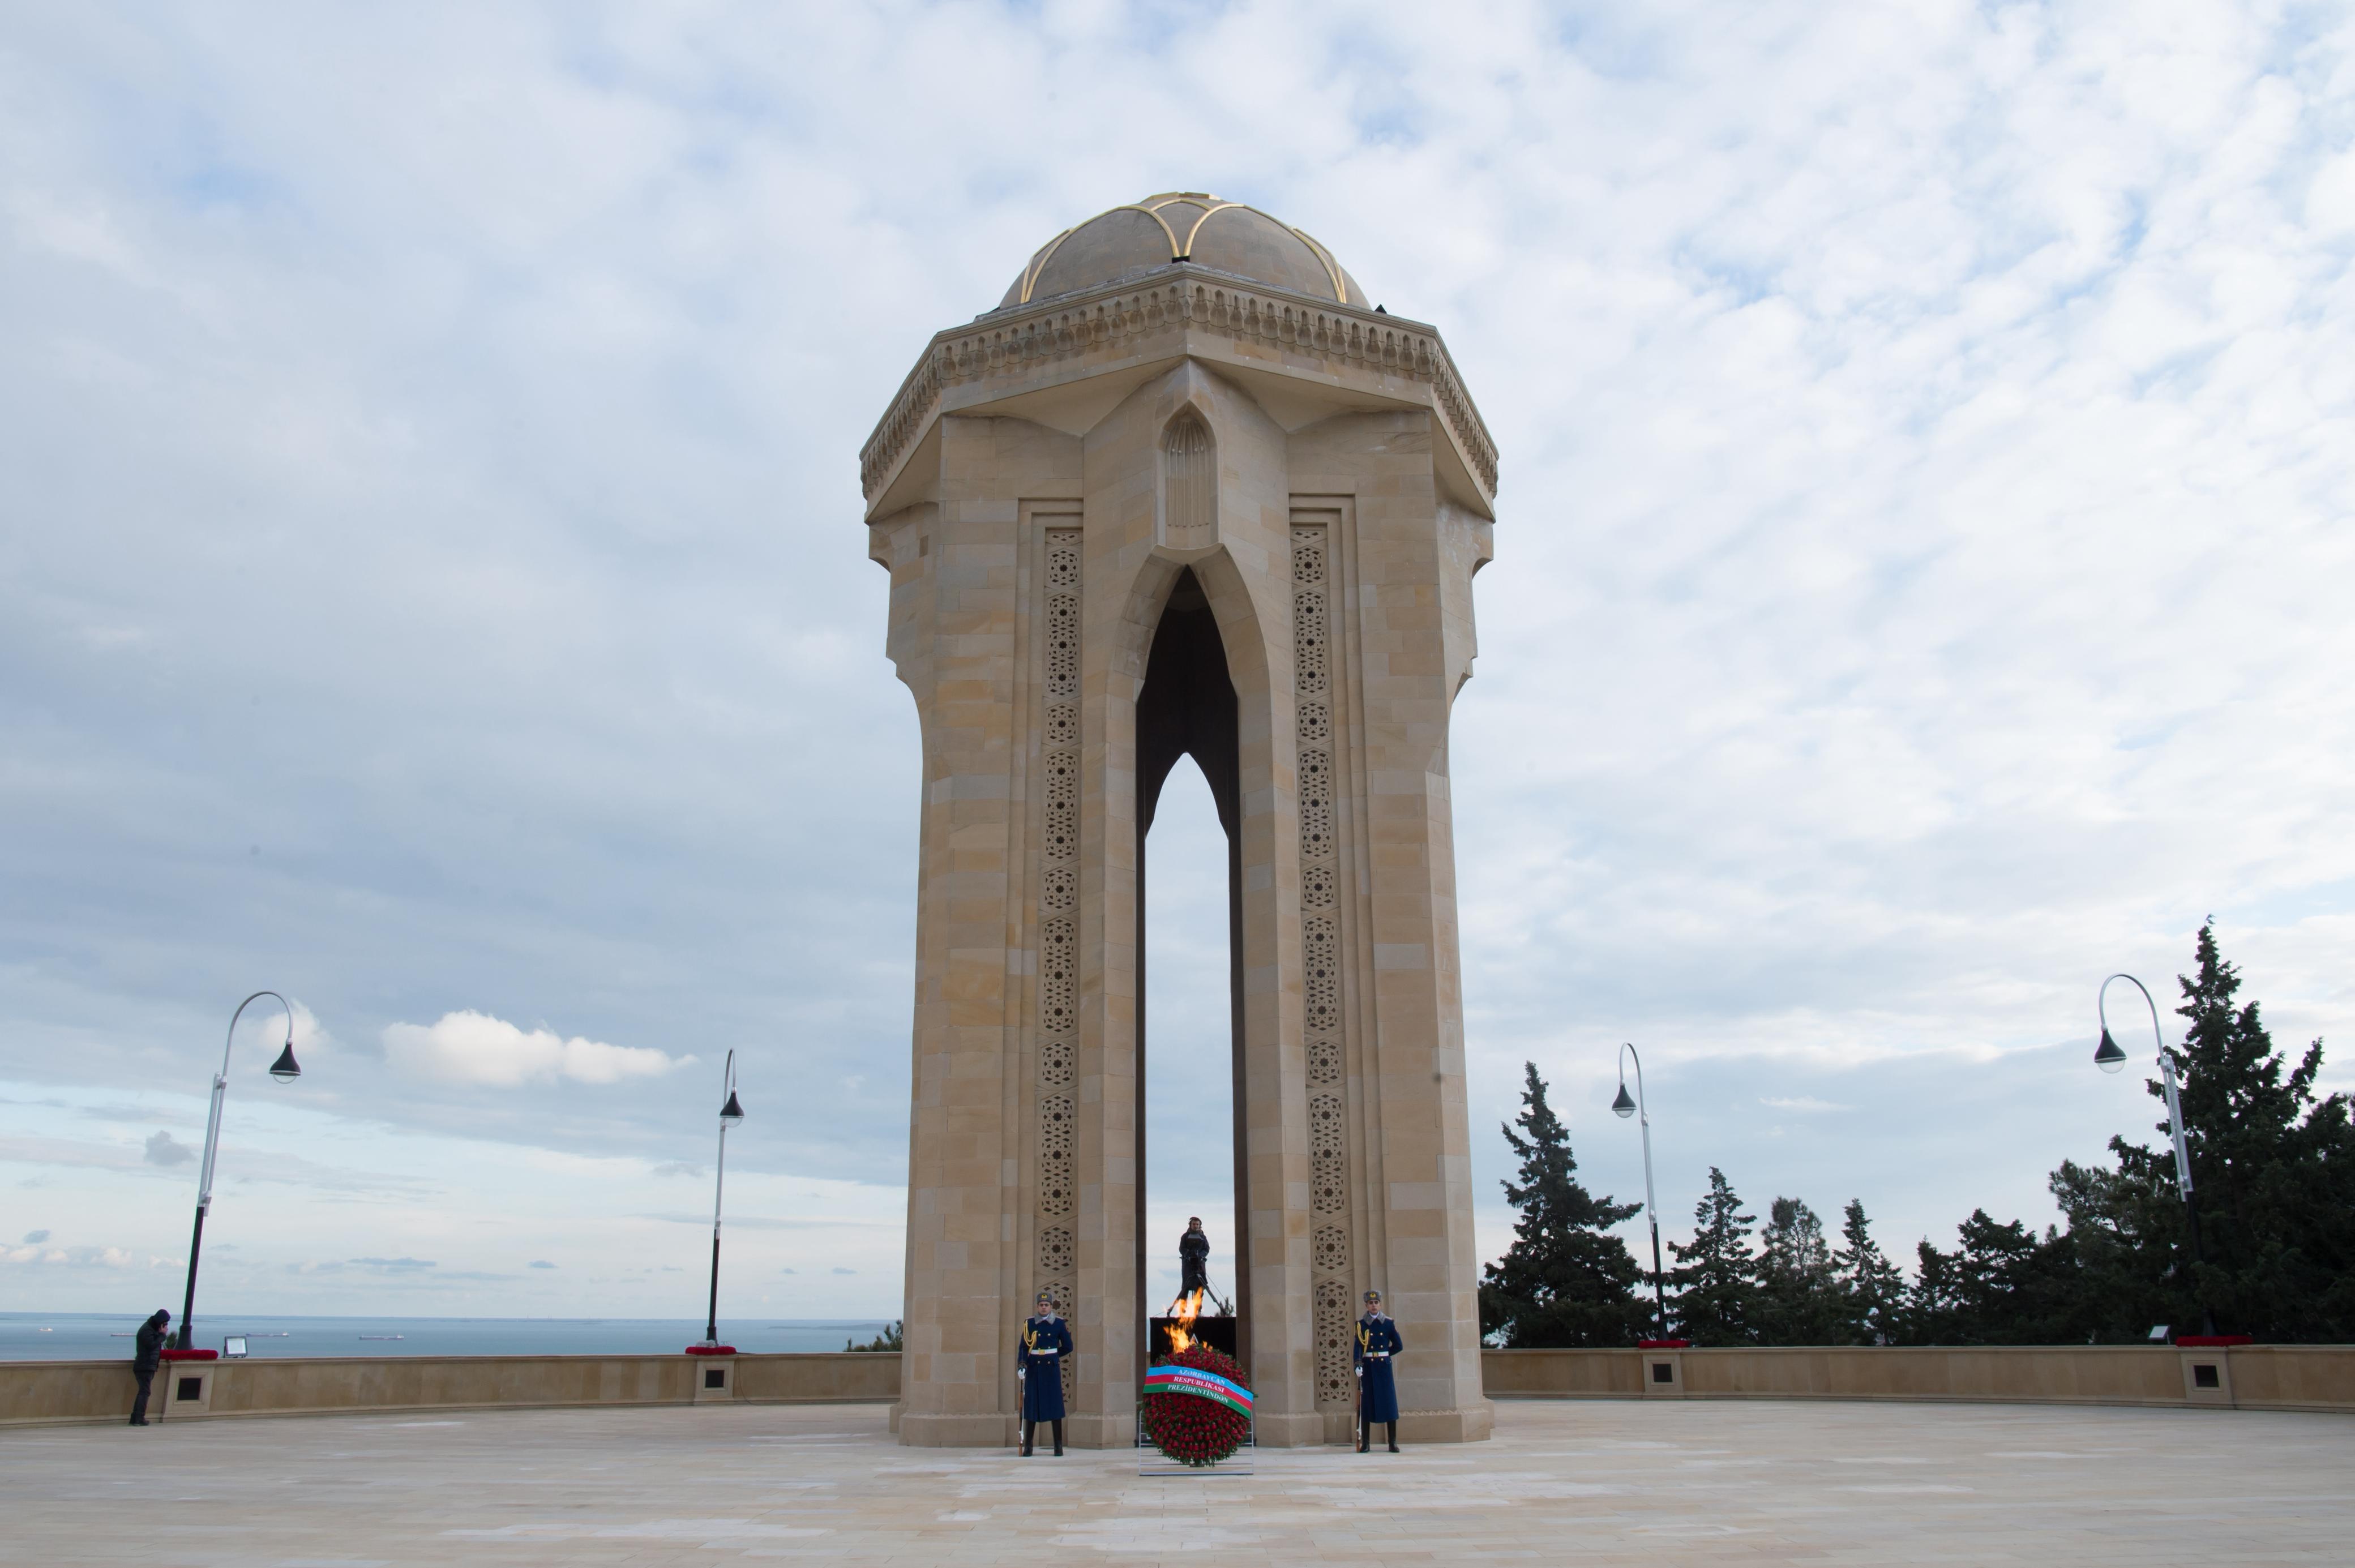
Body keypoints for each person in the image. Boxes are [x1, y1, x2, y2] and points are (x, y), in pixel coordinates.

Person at [1017, 1289, 1072, 1457]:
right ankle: (1029, 1446)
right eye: (1041, 1305)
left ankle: (1058, 1446)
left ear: (1051, 1306)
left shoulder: (1059, 1324)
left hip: (1051, 1368)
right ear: (1037, 1306)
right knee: (1031, 1407)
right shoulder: (1030, 1323)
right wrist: (1022, 1365)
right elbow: (1023, 1347)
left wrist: (1054, 1356)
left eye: (1046, 1305)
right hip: (1034, 1368)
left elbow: (1068, 1346)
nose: (1043, 1308)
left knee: (1055, 1406)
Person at [1353, 1288, 1402, 1453]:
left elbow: (1398, 1345)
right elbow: (1358, 1347)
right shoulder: (1361, 1325)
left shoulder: (1388, 1323)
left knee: (1389, 1404)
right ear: (1366, 1305)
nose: (1374, 1306)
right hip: (1368, 1367)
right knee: (1367, 1405)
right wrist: (1358, 1364)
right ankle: (1366, 1442)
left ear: (1380, 1304)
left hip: (1383, 1367)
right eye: (1370, 1303)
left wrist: (1385, 1355)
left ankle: (1392, 1442)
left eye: (1376, 1303)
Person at [129, 1309, 170, 1426]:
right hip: (144, 1365)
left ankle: (136, 1417)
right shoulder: (147, 1330)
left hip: (147, 1365)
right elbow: (151, 1345)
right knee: (145, 1392)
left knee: (144, 1391)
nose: (166, 1326)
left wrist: (160, 1334)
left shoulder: (150, 1329)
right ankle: (139, 1418)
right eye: (165, 1324)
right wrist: (162, 1335)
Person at [1178, 1217, 1210, 1299]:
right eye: (1194, 1224)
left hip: (1200, 1266)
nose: (1195, 1226)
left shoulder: (1203, 1237)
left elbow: (1206, 1249)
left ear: (1200, 1226)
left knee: (1200, 1287)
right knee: (1186, 1287)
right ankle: (1183, 1309)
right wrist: (1189, 1255)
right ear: (1190, 1225)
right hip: (1188, 1266)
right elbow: (1182, 1249)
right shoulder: (1185, 1237)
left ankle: (1198, 1308)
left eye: (1197, 1224)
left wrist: (1200, 1256)